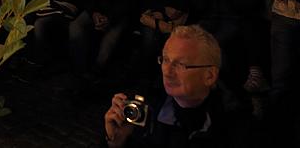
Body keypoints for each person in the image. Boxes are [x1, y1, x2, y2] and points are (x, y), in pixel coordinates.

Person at [104, 25, 254, 148]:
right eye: (166, 60)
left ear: (209, 75)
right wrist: (116, 141)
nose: (167, 72)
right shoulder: (148, 102)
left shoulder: (235, 128)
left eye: (180, 64)